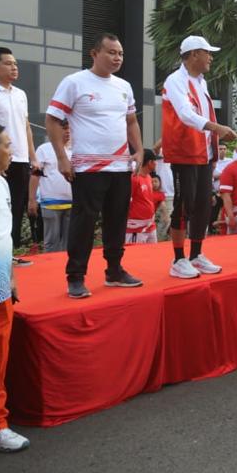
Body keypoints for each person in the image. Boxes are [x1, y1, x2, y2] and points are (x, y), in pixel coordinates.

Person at [45, 33, 144, 298]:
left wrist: (139, 150)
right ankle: (75, 276)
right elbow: (53, 119)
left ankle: (114, 270)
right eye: (111, 52)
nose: (117, 58)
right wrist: (62, 157)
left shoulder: (124, 86)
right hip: (88, 168)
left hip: (120, 166)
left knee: (117, 221)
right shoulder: (74, 82)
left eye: (120, 53)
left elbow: (131, 121)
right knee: (84, 222)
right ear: (94, 53)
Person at [161, 36, 237, 278]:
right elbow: (184, 114)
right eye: (208, 53)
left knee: (204, 205)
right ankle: (178, 259)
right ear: (194, 54)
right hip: (185, 153)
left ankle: (196, 254)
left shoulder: (201, 82)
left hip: (205, 152)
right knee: (184, 205)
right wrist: (217, 128)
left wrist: (214, 136)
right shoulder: (175, 80)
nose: (211, 58)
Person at [0, 122, 28, 452]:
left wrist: (10, 275)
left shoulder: (1, 183)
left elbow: (4, 235)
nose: (12, 152)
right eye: (7, 146)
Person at [0, 48, 39, 264]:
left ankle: (10, 254)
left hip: (21, 159)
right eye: (8, 63)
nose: (14, 67)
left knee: (16, 208)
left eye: (15, 63)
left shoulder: (20, 94)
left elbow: (25, 128)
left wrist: (33, 158)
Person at [29, 127, 73, 252]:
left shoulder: (75, 150)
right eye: (64, 128)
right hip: (50, 203)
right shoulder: (44, 149)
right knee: (52, 244)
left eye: (70, 129)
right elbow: (35, 175)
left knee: (68, 245)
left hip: (72, 203)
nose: (68, 132)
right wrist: (32, 200)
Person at [126, 149, 163, 244]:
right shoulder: (134, 178)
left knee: (152, 255)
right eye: (155, 161)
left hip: (150, 225)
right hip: (135, 228)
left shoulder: (148, 177)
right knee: (136, 256)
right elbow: (125, 201)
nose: (156, 163)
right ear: (150, 162)